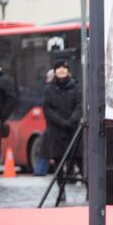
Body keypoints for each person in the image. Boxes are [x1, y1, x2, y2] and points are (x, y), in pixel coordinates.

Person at [41, 59, 81, 201]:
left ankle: (89, 190)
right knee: (58, 163)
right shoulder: (48, 89)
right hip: (56, 132)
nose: (61, 70)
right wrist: (61, 122)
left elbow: (79, 106)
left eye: (64, 68)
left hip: (74, 130)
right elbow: (47, 109)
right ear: (55, 71)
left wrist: (71, 121)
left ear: (68, 70)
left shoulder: (76, 87)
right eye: (58, 68)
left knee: (79, 160)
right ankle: (61, 190)